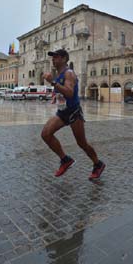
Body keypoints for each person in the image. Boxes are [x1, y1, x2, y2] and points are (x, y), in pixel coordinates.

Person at [41, 49, 105, 180]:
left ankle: (98, 164)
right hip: (62, 112)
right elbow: (63, 93)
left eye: (56, 57)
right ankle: (65, 160)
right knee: (46, 134)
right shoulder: (59, 74)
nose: (53, 59)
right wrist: (56, 96)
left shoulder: (69, 73)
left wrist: (53, 82)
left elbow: (69, 93)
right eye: (52, 57)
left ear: (64, 59)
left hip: (74, 113)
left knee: (82, 144)